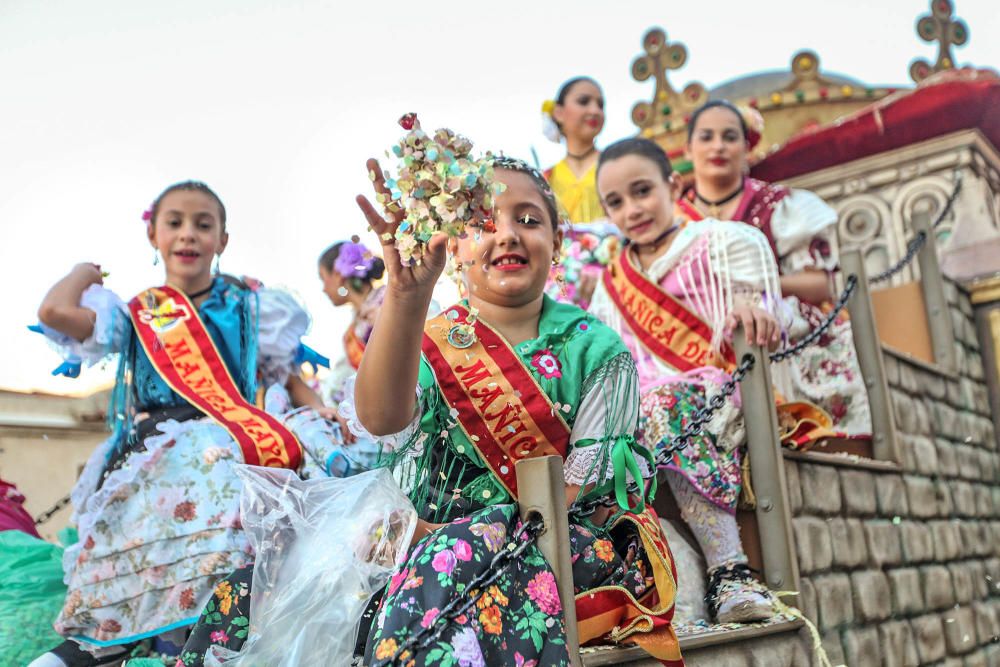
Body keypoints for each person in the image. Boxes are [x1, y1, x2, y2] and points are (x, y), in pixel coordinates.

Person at [178, 157, 684, 666]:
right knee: (256, 590)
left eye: (529, 220)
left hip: (556, 550)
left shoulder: (595, 348)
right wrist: (405, 296)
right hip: (421, 548)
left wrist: (440, 537)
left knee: (451, 557)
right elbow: (380, 419)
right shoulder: (429, 341)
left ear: (557, 243)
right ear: (454, 248)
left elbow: (588, 497)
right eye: (483, 223)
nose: (506, 234)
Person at [29, 181, 342, 667]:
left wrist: (318, 407)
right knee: (139, 556)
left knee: (234, 546)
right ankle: (99, 647)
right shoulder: (136, 312)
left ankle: (209, 641)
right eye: (174, 223)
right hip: (154, 448)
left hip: (232, 442)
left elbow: (283, 374)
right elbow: (55, 312)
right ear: (153, 234)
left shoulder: (253, 307)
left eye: (203, 224)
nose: (188, 235)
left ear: (223, 239)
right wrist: (82, 273)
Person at [588, 137, 786, 623]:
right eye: (616, 202)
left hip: (726, 391)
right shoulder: (611, 283)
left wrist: (750, 308)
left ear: (672, 185)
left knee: (659, 406)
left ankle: (730, 571)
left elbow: (768, 310)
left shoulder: (726, 240)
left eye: (642, 191)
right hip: (646, 406)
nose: (632, 209)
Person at [676, 100, 871, 435]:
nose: (718, 146)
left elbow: (820, 286)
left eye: (729, 137)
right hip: (691, 329)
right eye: (706, 137)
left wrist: (753, 288)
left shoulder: (779, 206)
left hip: (771, 322)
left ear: (747, 147)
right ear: (689, 149)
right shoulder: (672, 216)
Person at [542, 77, 622, 308]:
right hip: (561, 291)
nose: (594, 110)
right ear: (558, 112)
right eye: (584, 101)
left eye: (600, 104)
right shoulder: (545, 178)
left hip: (613, 278)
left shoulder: (616, 166)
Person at [316, 238, 387, 474]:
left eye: (323, 279)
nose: (323, 288)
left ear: (338, 274)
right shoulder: (352, 328)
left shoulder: (388, 300)